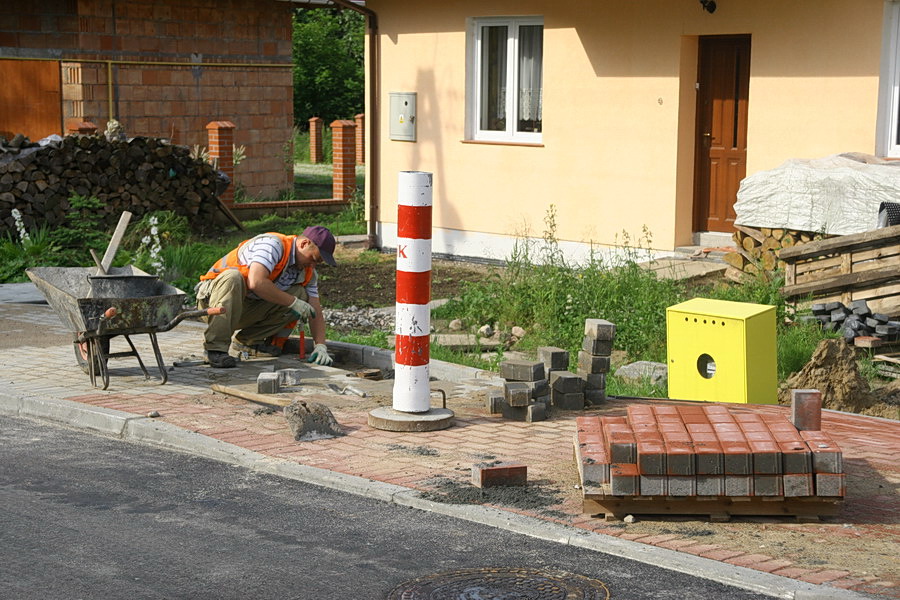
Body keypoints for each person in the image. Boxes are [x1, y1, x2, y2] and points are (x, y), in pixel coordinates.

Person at [195, 226, 337, 368]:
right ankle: (215, 349)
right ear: (304, 244)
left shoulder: (308, 272)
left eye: (317, 263)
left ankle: (249, 342)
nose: (312, 265)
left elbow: (315, 309)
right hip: (212, 304)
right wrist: (293, 302)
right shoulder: (272, 246)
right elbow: (256, 282)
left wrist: (320, 345)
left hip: (244, 307)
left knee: (300, 294)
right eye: (313, 259)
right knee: (234, 277)